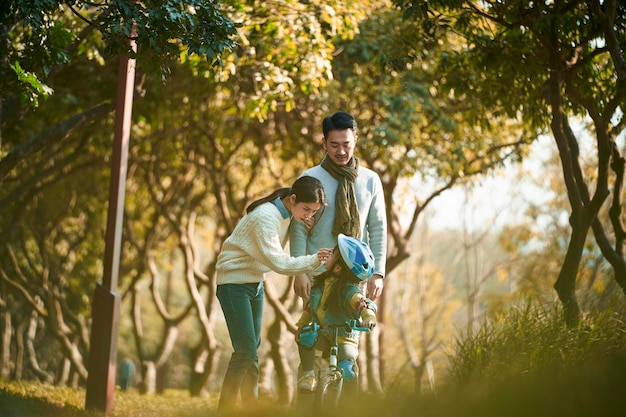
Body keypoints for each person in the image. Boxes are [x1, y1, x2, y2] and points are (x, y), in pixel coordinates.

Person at [215, 175, 334, 413]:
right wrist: (315, 260)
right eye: (306, 209)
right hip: (233, 284)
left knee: (252, 351)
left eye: (313, 212)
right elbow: (279, 262)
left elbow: (280, 242)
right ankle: (225, 410)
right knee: (245, 351)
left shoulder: (286, 214)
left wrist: (300, 221)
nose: (309, 216)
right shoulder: (265, 217)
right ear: (292, 199)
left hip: (254, 283)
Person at [290, 111, 387, 302]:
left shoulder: (370, 180)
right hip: (316, 274)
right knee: (312, 330)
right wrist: (299, 272)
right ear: (324, 143)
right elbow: (298, 228)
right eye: (334, 145)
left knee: (351, 332)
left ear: (355, 141)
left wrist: (378, 274)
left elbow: (378, 229)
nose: (341, 151)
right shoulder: (310, 178)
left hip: (356, 274)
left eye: (346, 144)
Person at [295, 234, 377, 395]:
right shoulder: (320, 286)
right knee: (306, 337)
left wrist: (368, 318)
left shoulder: (349, 291)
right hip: (324, 334)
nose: (328, 254)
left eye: (332, 254)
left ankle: (349, 396)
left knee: (346, 364)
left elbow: (362, 305)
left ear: (338, 268)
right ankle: (308, 375)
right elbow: (311, 308)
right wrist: (301, 325)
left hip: (344, 338)